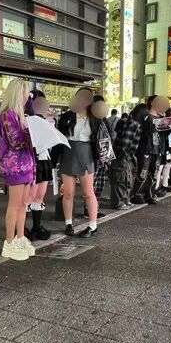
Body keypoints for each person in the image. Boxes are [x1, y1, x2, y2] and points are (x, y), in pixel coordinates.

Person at [0, 79, 36, 260]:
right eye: (25, 93)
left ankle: (20, 237)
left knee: (23, 204)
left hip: (26, 164)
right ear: (17, 93)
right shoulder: (8, 115)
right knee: (15, 205)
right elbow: (16, 142)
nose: (27, 97)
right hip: (15, 166)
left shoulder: (20, 115)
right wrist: (32, 132)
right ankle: (9, 242)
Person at [57, 87, 102, 237]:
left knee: (88, 193)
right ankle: (68, 223)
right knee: (68, 193)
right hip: (68, 153)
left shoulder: (96, 117)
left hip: (87, 154)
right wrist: (55, 159)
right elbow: (59, 137)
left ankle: (93, 226)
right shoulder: (67, 116)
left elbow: (106, 136)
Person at [132, 96, 168, 205]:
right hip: (145, 149)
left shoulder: (162, 118)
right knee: (142, 172)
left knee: (154, 173)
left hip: (158, 149)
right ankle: (136, 194)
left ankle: (150, 194)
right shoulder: (144, 115)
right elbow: (138, 130)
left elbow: (165, 135)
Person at [28, 95, 53, 240]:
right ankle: (22, 230)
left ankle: (36, 227)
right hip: (32, 161)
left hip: (44, 160)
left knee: (39, 196)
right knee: (28, 197)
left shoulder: (47, 122)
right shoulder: (28, 121)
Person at [110, 106, 142, 210]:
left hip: (124, 154)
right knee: (122, 179)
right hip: (124, 155)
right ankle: (119, 202)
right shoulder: (134, 124)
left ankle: (124, 200)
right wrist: (125, 155)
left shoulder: (129, 122)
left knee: (125, 178)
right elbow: (125, 143)